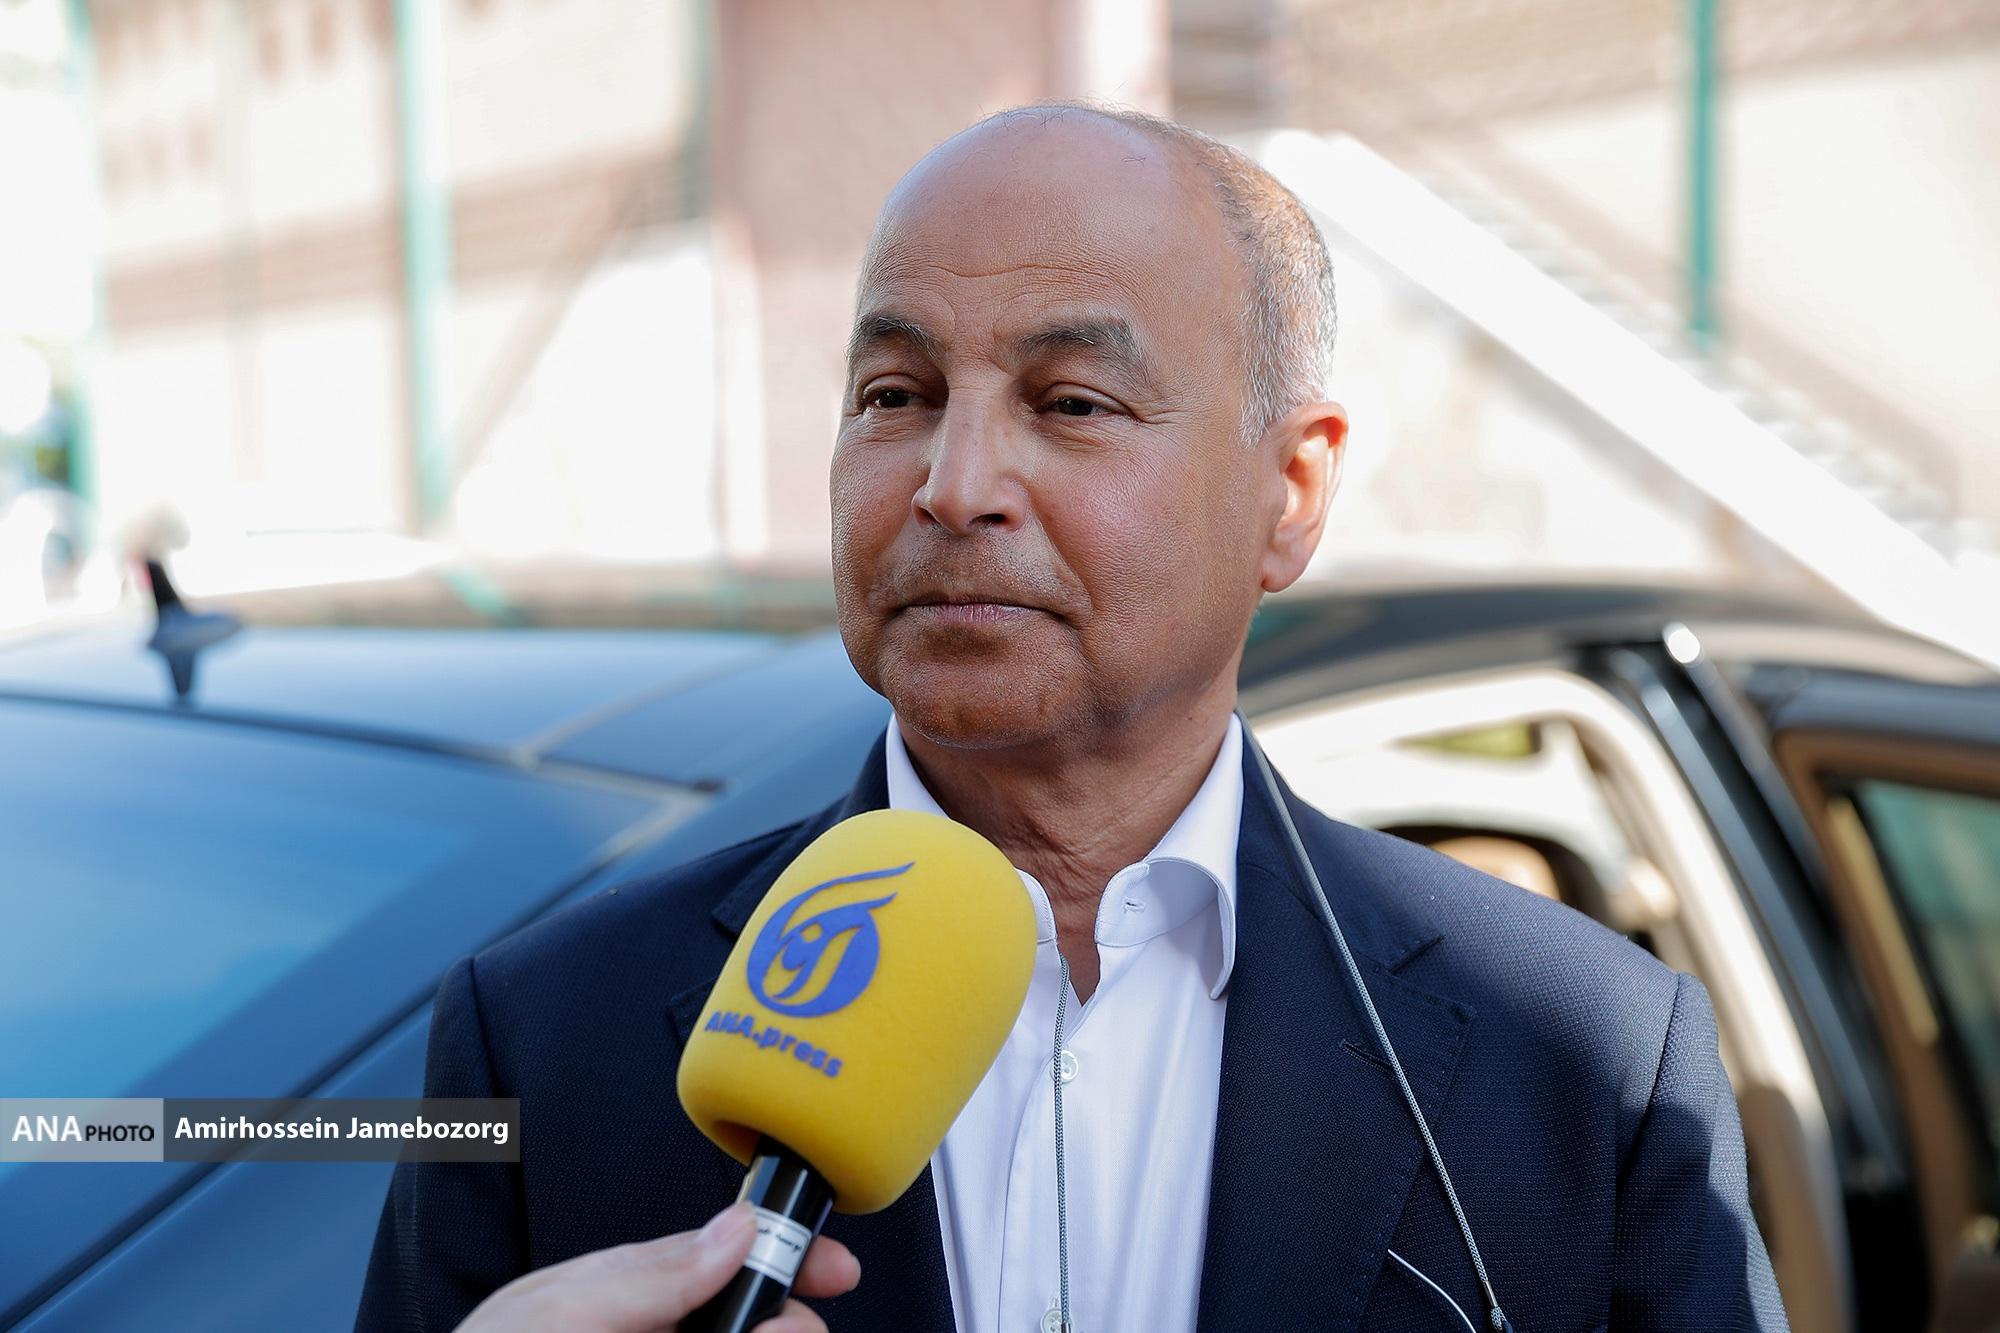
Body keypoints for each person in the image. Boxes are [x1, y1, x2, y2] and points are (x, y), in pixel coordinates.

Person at [358, 103, 1788, 1332]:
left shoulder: (1586, 1058)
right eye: (897, 393)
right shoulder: (543, 1039)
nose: (953, 483)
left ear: (1292, 492)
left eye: (1075, 402)